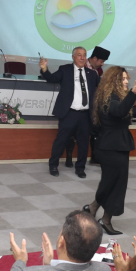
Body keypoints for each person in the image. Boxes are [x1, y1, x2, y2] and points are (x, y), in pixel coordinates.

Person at [82, 67, 136, 235]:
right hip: (112, 148)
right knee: (115, 185)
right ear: (114, 81)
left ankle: (93, 208)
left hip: (113, 146)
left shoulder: (111, 96)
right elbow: (119, 111)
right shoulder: (112, 97)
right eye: (123, 79)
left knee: (111, 182)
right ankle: (104, 220)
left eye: (127, 79)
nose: (126, 81)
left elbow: (121, 112)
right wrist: (133, 93)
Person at [39, 48, 99, 178]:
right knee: (61, 140)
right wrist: (44, 69)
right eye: (79, 55)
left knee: (83, 143)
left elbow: (101, 89)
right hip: (69, 113)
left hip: (85, 115)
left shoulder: (92, 74)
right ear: (73, 57)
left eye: (84, 55)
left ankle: (80, 168)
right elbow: (51, 78)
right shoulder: (65, 70)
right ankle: (53, 165)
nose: (82, 58)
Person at [64, 46, 110, 166]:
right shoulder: (80, 67)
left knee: (92, 131)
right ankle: (69, 157)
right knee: (72, 134)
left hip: (91, 107)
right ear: (94, 58)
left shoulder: (97, 71)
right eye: (101, 61)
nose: (102, 64)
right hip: (76, 107)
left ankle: (93, 157)